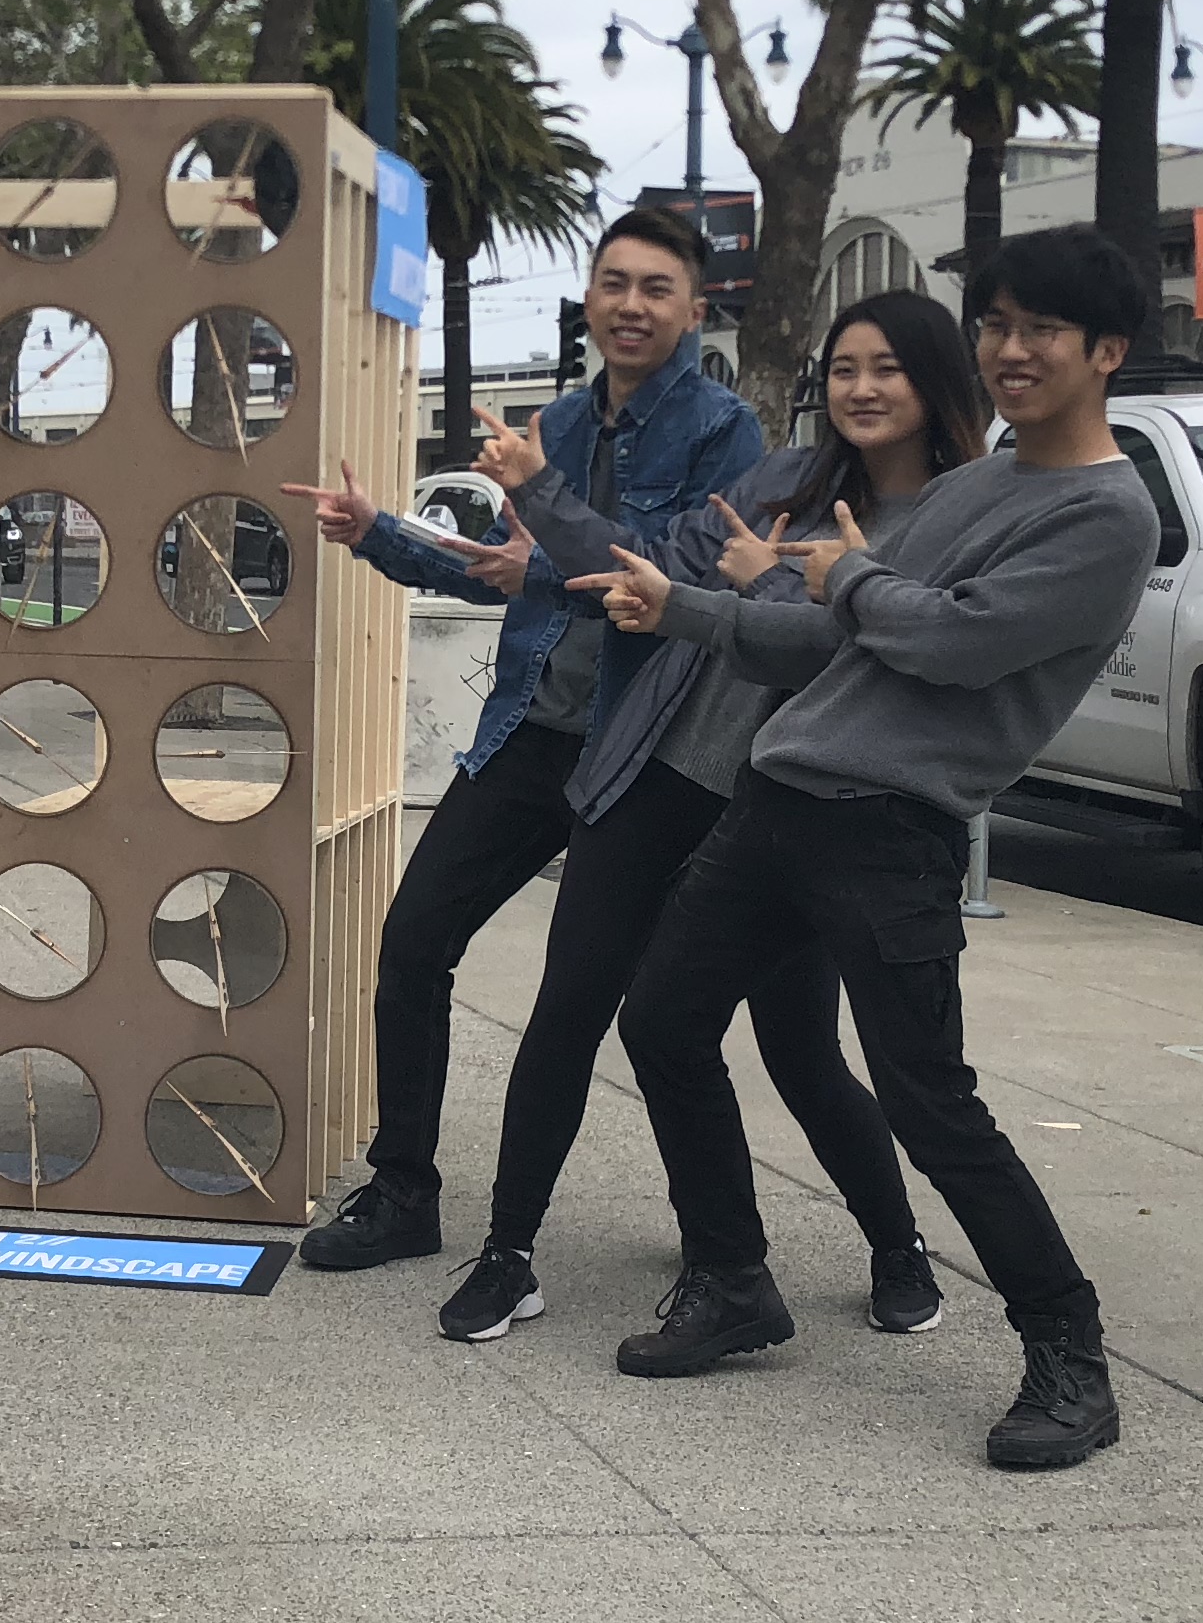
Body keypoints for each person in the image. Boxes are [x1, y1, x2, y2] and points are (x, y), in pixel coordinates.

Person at [579, 222, 1162, 1469]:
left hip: (893, 828)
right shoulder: (974, 486)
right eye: (995, 326)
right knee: (664, 1020)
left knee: (927, 1102)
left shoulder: (1107, 515)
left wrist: (847, 580)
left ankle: (1069, 1351)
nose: (1008, 350)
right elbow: (848, 633)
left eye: (1038, 331)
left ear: (1107, 351)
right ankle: (734, 1279)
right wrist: (688, 604)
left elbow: (950, 640)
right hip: (783, 796)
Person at [426, 292, 994, 1346]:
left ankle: (894, 1242)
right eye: (844, 368)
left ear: (937, 382)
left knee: (799, 1049)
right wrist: (538, 488)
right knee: (577, 1009)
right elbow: (651, 569)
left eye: (889, 369)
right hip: (661, 770)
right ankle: (513, 1251)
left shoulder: (957, 517)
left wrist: (769, 586)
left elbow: (883, 652)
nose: (861, 389)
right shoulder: (784, 478)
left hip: (794, 809)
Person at [274, 203, 754, 1276]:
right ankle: (404, 1192)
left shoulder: (726, 432)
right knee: (412, 947)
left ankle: (721, 1238)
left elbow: (660, 573)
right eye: (615, 283)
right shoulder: (565, 423)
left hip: (643, 755)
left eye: (656, 288)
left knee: (609, 1003)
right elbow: (497, 566)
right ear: (589, 295)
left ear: (693, 305)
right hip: (533, 732)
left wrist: (536, 538)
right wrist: (379, 534)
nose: (631, 306)